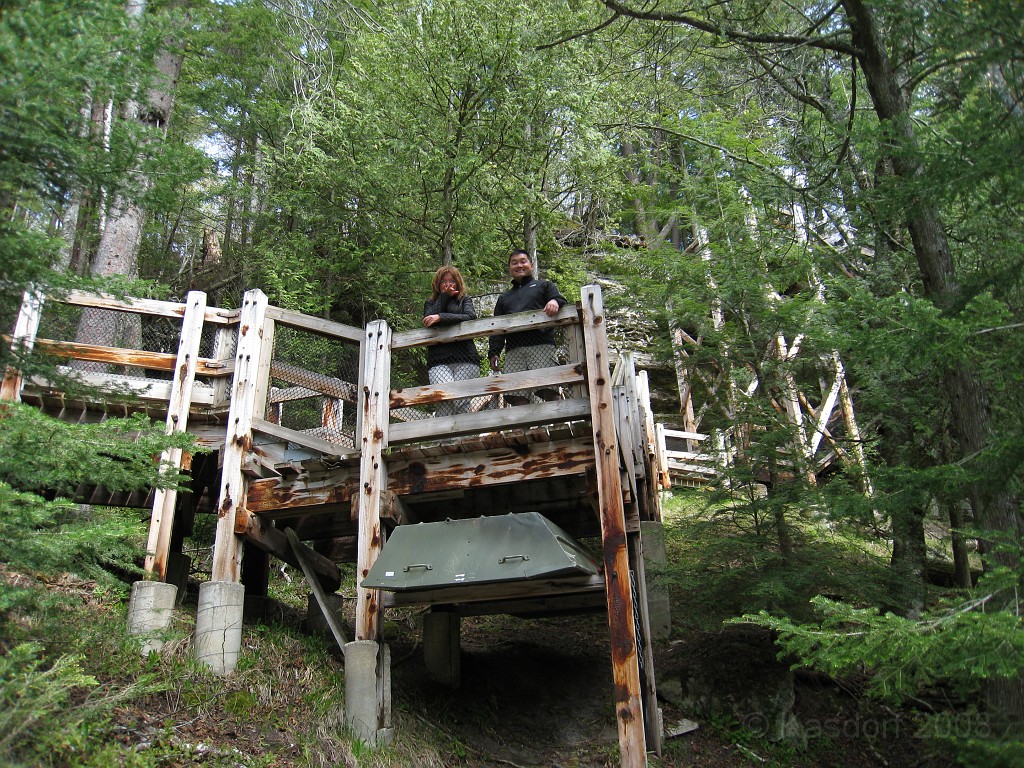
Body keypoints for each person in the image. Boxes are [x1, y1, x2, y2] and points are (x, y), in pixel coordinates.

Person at [488, 249, 567, 406]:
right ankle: (524, 429)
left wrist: (554, 302)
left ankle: (559, 422)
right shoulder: (504, 298)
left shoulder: (544, 286)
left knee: (548, 389)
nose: (519, 265)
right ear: (509, 268)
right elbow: (497, 328)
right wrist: (494, 353)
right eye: (514, 262)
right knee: (516, 394)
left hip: (541, 345)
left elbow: (559, 298)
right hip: (514, 350)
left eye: (523, 261)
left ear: (531, 265)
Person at [423, 265, 480, 416]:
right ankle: (445, 440)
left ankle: (466, 438)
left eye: (452, 281)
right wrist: (444, 297)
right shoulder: (430, 304)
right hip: (438, 361)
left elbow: (470, 317)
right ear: (438, 284)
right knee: (443, 398)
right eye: (444, 281)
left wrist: (441, 318)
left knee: (461, 401)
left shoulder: (464, 300)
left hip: (466, 359)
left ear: (458, 283)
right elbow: (428, 319)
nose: (448, 285)